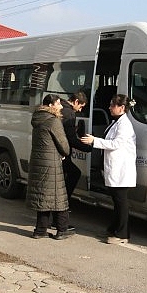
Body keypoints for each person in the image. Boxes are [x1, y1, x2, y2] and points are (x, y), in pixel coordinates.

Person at [81, 94, 137, 244]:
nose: (109, 107)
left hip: (121, 170)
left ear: (122, 108)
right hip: (115, 168)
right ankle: (114, 228)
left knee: (121, 202)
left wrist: (95, 141)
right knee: (117, 202)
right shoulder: (117, 122)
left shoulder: (124, 125)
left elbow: (115, 144)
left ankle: (122, 234)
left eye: (113, 105)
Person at [26, 94, 74, 240]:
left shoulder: (38, 119)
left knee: (43, 196)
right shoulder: (53, 121)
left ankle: (40, 230)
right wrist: (65, 152)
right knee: (58, 196)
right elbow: (64, 146)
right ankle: (62, 229)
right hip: (51, 163)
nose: (61, 106)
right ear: (52, 105)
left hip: (39, 162)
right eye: (59, 103)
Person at [51, 91, 93, 230]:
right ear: (75, 102)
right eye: (80, 107)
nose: (80, 110)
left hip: (55, 152)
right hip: (62, 153)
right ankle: (60, 218)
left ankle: (56, 218)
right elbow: (70, 139)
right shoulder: (69, 113)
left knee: (65, 180)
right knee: (69, 180)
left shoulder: (60, 107)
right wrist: (87, 148)